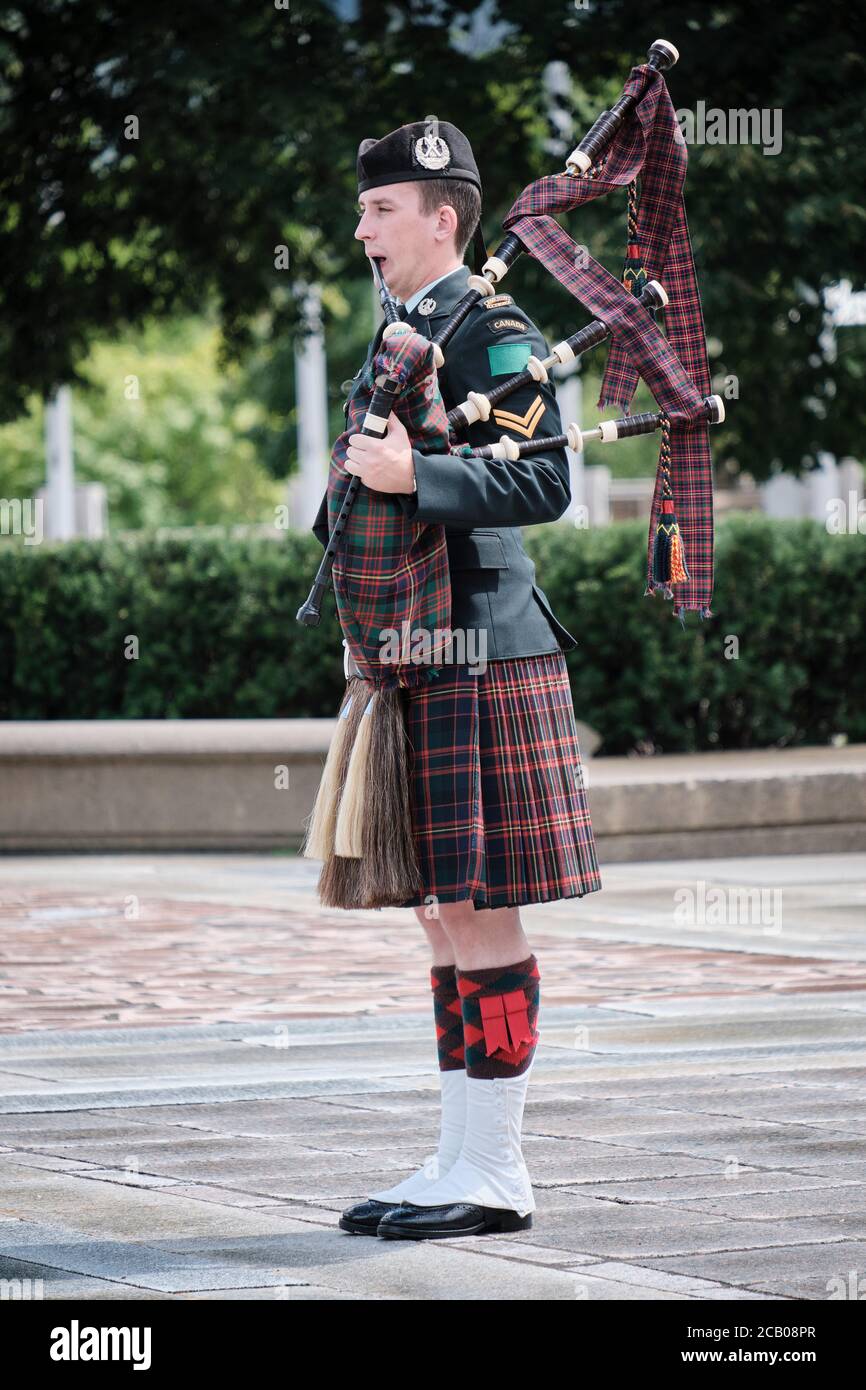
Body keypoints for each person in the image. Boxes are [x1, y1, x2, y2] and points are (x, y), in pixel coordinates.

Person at [310, 119, 602, 1241]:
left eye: (381, 210)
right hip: (415, 656)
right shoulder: (403, 332)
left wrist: (411, 471)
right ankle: (457, 1155)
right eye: (362, 209)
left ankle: (497, 1170)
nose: (360, 229)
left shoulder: (496, 328)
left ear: (444, 217)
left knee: (479, 914)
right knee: (438, 914)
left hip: (483, 647)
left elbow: (541, 485)